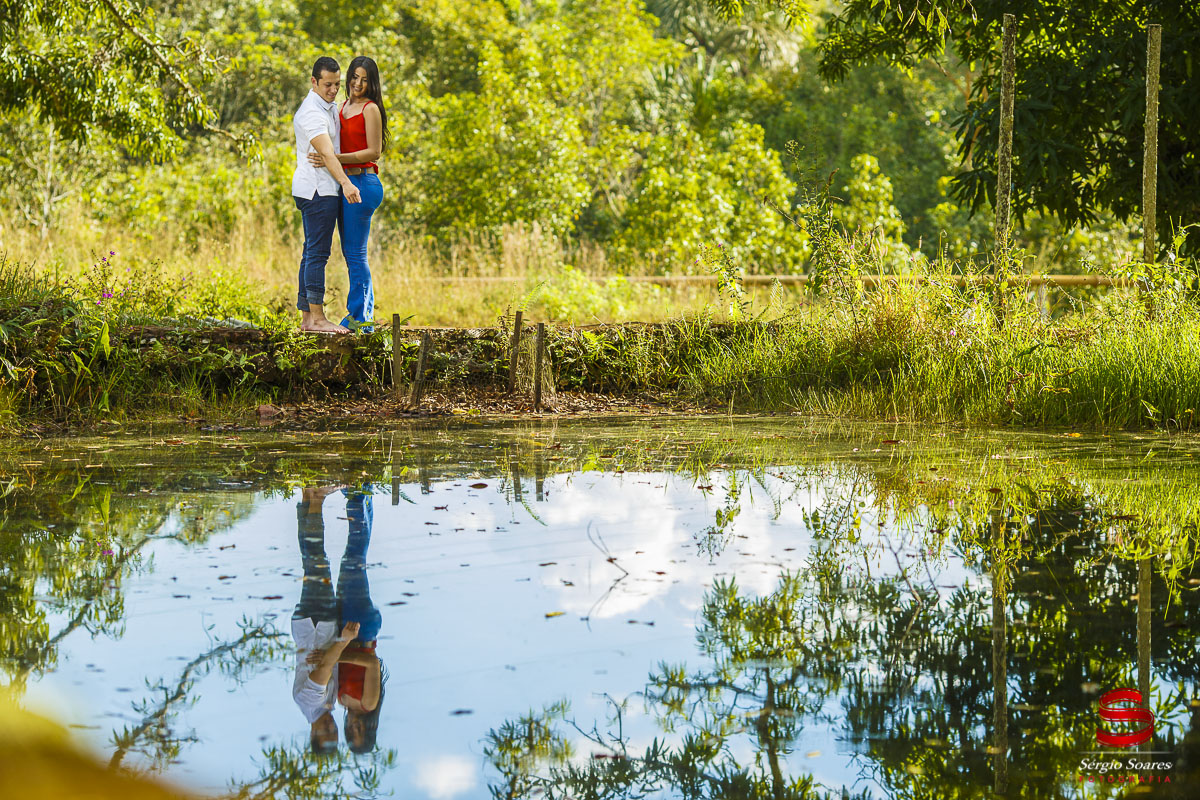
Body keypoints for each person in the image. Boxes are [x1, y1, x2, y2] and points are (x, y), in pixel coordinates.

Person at [307, 55, 388, 333]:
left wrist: (334, 158)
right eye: (354, 77)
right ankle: (360, 314)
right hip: (346, 185)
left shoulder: (370, 109)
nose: (358, 84)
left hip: (363, 183)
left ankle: (360, 319)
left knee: (356, 253)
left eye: (364, 80)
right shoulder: (340, 107)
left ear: (371, 83)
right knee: (350, 252)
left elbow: (374, 151)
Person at [292, 56, 362, 334]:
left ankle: (308, 319)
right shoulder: (312, 112)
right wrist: (346, 183)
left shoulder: (328, 106)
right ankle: (318, 318)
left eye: (336, 84)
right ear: (314, 82)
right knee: (318, 254)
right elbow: (326, 153)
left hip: (319, 188)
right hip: (317, 190)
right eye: (327, 85)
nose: (333, 90)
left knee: (311, 252)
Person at [291, 485, 361, 754]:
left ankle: (316, 498)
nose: (331, 728)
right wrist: (331, 656)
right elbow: (326, 664)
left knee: (317, 560)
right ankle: (307, 498)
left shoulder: (310, 703)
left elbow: (323, 669)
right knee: (312, 560)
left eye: (325, 733)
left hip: (314, 623)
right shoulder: (326, 705)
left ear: (313, 733)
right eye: (334, 733)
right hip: (318, 625)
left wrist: (343, 641)